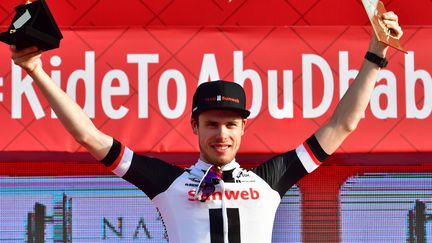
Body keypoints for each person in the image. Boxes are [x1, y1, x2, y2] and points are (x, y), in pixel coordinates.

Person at [10, 11, 403, 243]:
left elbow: (344, 124)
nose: (222, 134)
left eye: (231, 124)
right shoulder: (168, 182)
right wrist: (36, 71)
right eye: (212, 124)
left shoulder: (269, 180)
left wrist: (377, 53)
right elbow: (89, 137)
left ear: (243, 129)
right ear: (194, 126)